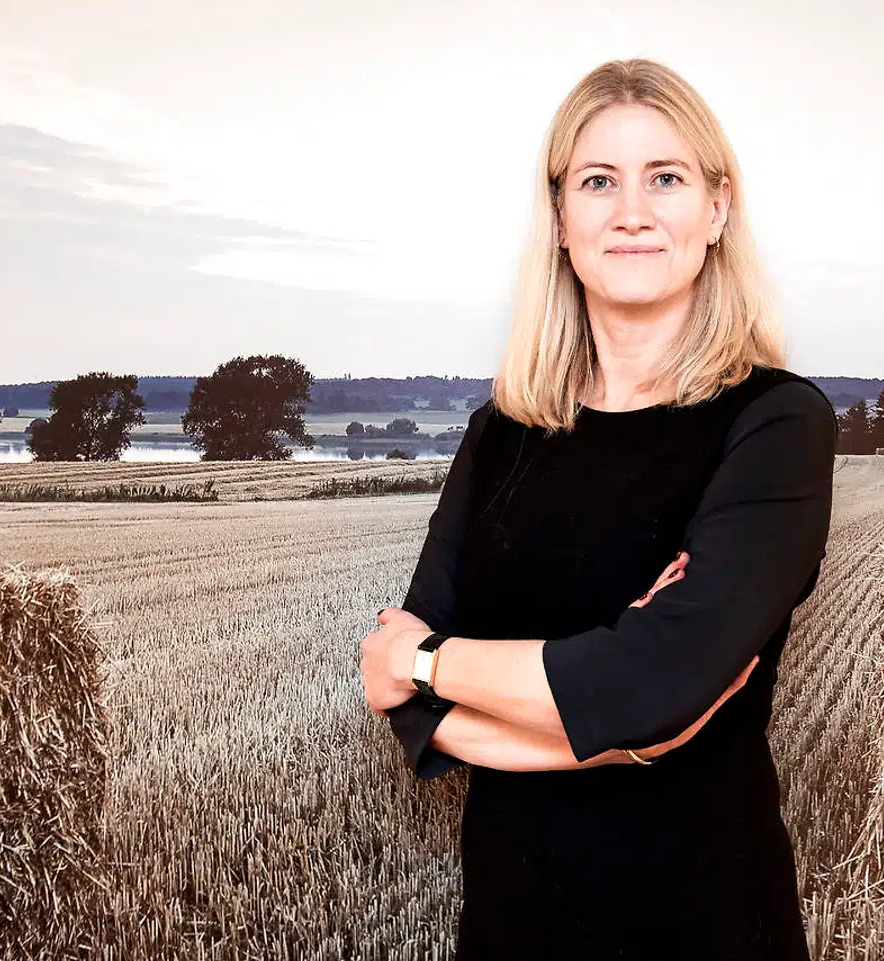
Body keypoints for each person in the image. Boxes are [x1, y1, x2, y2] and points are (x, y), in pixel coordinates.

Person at [357, 57, 836, 961]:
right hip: (510, 925)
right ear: (563, 220)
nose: (632, 211)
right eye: (598, 181)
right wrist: (617, 731)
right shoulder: (501, 432)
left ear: (717, 209)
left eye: (666, 177)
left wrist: (427, 663)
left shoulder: (774, 423)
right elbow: (408, 709)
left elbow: (649, 686)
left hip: (704, 926)